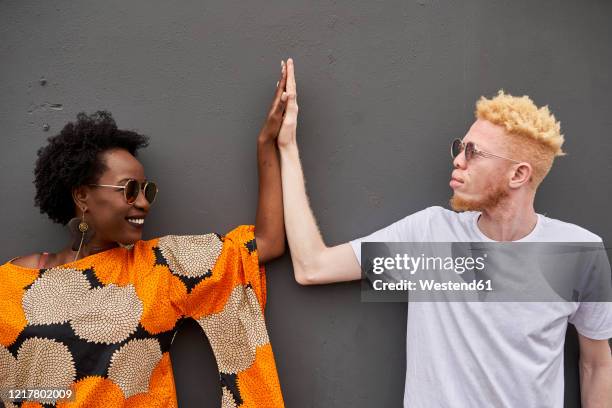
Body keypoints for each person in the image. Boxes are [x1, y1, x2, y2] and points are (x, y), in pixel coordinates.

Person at [277, 59, 612, 407]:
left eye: (473, 153)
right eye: (459, 147)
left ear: (518, 175)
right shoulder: (430, 236)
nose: (458, 160)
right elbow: (312, 267)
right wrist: (287, 147)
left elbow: (596, 364)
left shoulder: (579, 253)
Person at [0, 62, 291, 407]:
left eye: (147, 191)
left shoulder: (159, 269)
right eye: (129, 190)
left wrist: (265, 144)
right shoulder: (10, 282)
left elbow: (267, 243)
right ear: (82, 196)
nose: (143, 203)